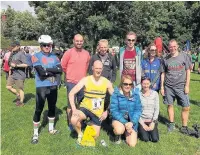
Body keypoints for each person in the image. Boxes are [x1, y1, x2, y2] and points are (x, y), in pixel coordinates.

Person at [69, 60, 114, 144]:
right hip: (85, 108)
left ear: (102, 69)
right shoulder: (86, 80)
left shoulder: (107, 82)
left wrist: (106, 112)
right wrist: (74, 109)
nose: (98, 70)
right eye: (96, 68)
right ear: (92, 68)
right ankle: (80, 134)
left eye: (100, 68)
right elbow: (71, 93)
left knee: (94, 137)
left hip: (98, 112)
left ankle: (88, 123)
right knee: (74, 119)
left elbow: (115, 98)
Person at [30, 35, 62, 144]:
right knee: (39, 109)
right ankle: (35, 134)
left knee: (52, 107)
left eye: (49, 45)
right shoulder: (36, 56)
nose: (47, 47)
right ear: (40, 46)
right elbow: (41, 73)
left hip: (53, 85)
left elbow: (60, 70)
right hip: (41, 86)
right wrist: (52, 71)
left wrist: (47, 70)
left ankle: (51, 129)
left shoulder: (55, 57)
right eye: (44, 45)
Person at [161, 39, 192, 134]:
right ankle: (171, 123)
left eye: (174, 46)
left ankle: (184, 126)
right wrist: (162, 87)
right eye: (170, 47)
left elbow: (188, 71)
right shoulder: (165, 58)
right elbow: (163, 73)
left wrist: (187, 85)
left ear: (177, 46)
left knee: (186, 106)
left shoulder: (184, 56)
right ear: (168, 47)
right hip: (168, 86)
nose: (172, 48)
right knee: (170, 105)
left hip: (181, 86)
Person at [61, 34, 90, 130]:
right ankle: (71, 123)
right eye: (77, 41)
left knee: (82, 103)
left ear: (83, 42)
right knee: (71, 103)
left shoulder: (86, 53)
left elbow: (87, 66)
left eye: (81, 41)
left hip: (82, 82)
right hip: (71, 82)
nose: (79, 42)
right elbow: (63, 66)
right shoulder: (68, 53)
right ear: (73, 41)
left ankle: (81, 121)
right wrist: (70, 75)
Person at [110, 75, 142, 147]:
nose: (128, 86)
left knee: (132, 144)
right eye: (125, 84)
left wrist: (132, 122)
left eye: (130, 84)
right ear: (121, 84)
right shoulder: (116, 94)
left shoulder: (136, 95)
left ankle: (125, 133)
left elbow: (138, 110)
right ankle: (117, 136)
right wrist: (125, 123)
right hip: (119, 120)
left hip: (131, 122)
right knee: (119, 130)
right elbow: (114, 111)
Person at [88, 39, 116, 114]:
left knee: (106, 100)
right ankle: (95, 117)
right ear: (98, 47)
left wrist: (112, 81)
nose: (103, 49)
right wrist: (93, 81)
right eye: (101, 47)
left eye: (105, 47)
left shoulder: (111, 57)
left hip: (107, 84)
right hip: (96, 84)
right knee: (96, 101)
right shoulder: (94, 57)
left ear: (107, 47)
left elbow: (114, 70)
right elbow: (90, 70)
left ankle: (105, 119)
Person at [6, 41, 28, 106]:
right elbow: (11, 63)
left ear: (18, 46)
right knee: (8, 87)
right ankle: (18, 95)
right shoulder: (13, 54)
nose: (12, 47)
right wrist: (11, 68)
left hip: (20, 75)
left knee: (20, 89)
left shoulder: (21, 54)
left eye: (13, 46)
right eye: (11, 46)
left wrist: (16, 65)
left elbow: (26, 65)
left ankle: (21, 102)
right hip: (13, 74)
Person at [138, 77, 159, 143]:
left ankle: (151, 129)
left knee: (155, 139)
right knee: (145, 139)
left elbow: (157, 109)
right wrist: (142, 124)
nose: (146, 85)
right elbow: (136, 111)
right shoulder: (138, 95)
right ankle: (140, 130)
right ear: (141, 84)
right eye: (144, 84)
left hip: (152, 120)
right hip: (142, 120)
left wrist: (153, 122)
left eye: (147, 83)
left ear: (150, 84)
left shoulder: (155, 94)